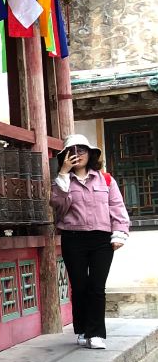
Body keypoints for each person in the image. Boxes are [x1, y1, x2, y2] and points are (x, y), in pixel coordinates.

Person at [51, 133, 130, 349]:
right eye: (72, 151)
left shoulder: (105, 179)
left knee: (96, 286)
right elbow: (58, 206)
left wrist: (119, 232)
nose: (78, 155)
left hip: (101, 239)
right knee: (79, 285)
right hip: (73, 238)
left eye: (82, 150)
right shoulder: (62, 181)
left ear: (91, 154)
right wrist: (64, 175)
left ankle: (96, 334)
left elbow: (117, 207)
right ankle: (83, 329)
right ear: (65, 156)